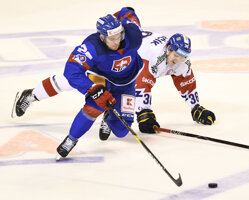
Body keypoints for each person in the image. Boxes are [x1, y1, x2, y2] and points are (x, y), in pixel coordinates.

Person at [12, 12, 215, 142]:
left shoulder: (179, 61)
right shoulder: (153, 58)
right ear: (168, 48)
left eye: (183, 57)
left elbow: (186, 83)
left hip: (125, 73)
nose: (178, 60)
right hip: (108, 64)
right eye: (176, 55)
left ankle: (109, 117)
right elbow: (142, 84)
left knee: (121, 117)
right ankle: (32, 95)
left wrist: (195, 107)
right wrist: (144, 110)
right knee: (67, 81)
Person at [13, 7, 143, 158]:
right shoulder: (92, 46)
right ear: (101, 37)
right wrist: (92, 89)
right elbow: (72, 70)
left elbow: (127, 11)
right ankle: (35, 99)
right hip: (101, 77)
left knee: (122, 131)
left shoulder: (133, 33)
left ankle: (108, 116)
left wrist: (116, 18)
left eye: (119, 36)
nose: (116, 41)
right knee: (72, 87)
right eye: (111, 38)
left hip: (127, 83)